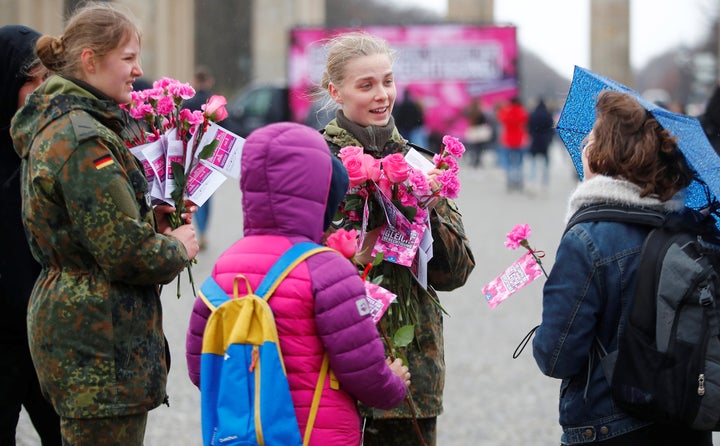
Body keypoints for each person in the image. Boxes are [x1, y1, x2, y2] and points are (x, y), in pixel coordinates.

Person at [9, 3, 199, 445]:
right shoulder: (83, 138)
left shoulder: (72, 123)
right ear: (90, 60)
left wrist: (153, 217)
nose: (138, 70)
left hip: (91, 330)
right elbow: (125, 253)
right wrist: (180, 246)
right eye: (128, 58)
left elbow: (86, 226)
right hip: (98, 340)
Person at [185, 122, 411, 445]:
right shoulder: (327, 270)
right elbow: (364, 372)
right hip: (316, 434)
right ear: (319, 188)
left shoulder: (225, 268)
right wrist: (395, 385)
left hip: (248, 436)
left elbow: (201, 367)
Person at [319, 31, 475, 446]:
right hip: (335, 367)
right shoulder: (317, 164)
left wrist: (423, 207)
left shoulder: (419, 164)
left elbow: (456, 273)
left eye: (387, 81)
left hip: (412, 372)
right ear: (336, 91)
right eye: (366, 85)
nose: (381, 95)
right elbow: (297, 266)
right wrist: (356, 252)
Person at [532, 90, 710, 445]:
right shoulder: (691, 226)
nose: (585, 144)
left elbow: (556, 358)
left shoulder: (587, 239)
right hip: (684, 421)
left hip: (610, 425)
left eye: (592, 136)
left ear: (604, 155)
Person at [0, 24, 61, 446]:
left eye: (49, 80)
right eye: (31, 81)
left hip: (50, 338)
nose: (42, 93)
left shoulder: (58, 149)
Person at [182, 65, 216, 250]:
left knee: (194, 195)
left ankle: (195, 231)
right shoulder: (214, 104)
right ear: (209, 81)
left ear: (195, 81)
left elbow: (182, 130)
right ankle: (204, 232)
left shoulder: (188, 103)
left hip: (192, 154)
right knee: (207, 195)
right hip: (210, 155)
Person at [497, 96, 529, 191]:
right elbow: (525, 122)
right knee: (519, 163)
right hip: (520, 140)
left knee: (509, 163)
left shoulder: (507, 112)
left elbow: (500, 117)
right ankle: (519, 181)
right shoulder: (522, 112)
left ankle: (510, 182)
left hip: (508, 140)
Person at [527, 98, 555, 188]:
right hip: (544, 140)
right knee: (545, 162)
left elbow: (529, 127)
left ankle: (532, 179)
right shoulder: (548, 115)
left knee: (533, 162)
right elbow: (551, 129)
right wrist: (550, 139)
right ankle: (545, 180)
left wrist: (531, 135)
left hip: (535, 140)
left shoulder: (533, 114)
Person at [464, 97, 494, 168]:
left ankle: (474, 160)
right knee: (479, 148)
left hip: (473, 130)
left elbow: (466, 116)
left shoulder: (470, 111)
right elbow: (485, 119)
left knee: (474, 148)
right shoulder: (480, 112)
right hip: (479, 131)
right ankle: (477, 160)